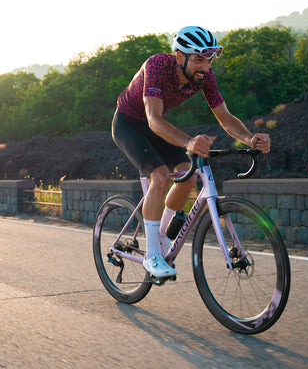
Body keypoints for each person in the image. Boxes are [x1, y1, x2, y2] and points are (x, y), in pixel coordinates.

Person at [112, 26, 271, 279]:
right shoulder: (157, 65)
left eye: (208, 60)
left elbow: (226, 118)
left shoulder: (205, 76)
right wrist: (188, 142)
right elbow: (152, 119)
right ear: (179, 57)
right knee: (161, 178)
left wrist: (250, 138)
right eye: (199, 59)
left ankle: (161, 237)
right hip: (129, 125)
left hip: (157, 128)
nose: (205, 67)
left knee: (189, 176)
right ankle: (152, 256)